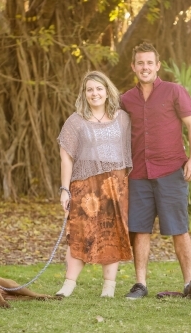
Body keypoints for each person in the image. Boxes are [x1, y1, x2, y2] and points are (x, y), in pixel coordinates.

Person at [120, 42, 191, 299]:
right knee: (140, 228)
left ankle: (190, 284)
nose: (145, 67)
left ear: (158, 66)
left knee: (179, 228)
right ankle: (140, 284)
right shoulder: (125, 100)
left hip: (171, 170)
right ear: (134, 67)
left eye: (149, 63)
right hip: (138, 173)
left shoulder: (174, 92)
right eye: (140, 63)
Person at [55, 71, 133, 298]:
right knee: (80, 233)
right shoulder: (76, 121)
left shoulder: (122, 118)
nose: (95, 93)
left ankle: (108, 288)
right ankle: (68, 285)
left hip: (114, 185)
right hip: (84, 185)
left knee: (113, 234)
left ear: (107, 92)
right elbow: (66, 157)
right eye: (90, 89)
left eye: (99, 88)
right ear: (84, 93)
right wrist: (65, 189)